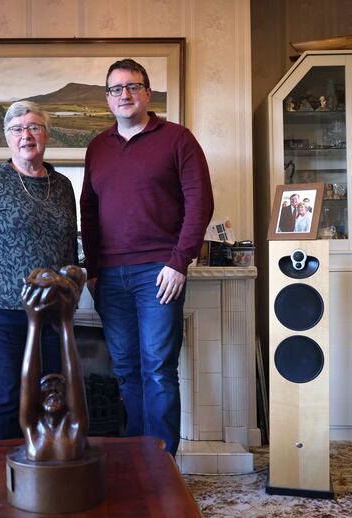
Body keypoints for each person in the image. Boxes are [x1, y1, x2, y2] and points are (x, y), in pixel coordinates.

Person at [80, 58, 213, 456]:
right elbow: (88, 211)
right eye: (116, 89)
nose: (125, 95)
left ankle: (161, 463)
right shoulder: (97, 147)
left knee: (157, 370)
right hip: (110, 278)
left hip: (159, 272)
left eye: (132, 86)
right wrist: (92, 269)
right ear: (107, 99)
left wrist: (178, 261)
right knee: (125, 371)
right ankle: (135, 460)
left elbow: (200, 204)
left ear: (147, 93)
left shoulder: (178, 139)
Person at [0, 101, 78, 440]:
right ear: (7, 137)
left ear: (47, 135)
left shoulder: (63, 186)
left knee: (51, 398)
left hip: (53, 315)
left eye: (35, 127)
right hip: (0, 314)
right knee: (3, 401)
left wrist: (71, 301)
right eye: (17, 129)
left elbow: (70, 250)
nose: (26, 135)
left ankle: (42, 480)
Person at [19, 266, 88, 461]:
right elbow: (28, 385)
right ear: (37, 398)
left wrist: (66, 322)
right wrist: (34, 324)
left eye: (59, 388)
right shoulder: (32, 428)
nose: (53, 392)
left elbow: (75, 382)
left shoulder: (76, 427)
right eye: (47, 388)